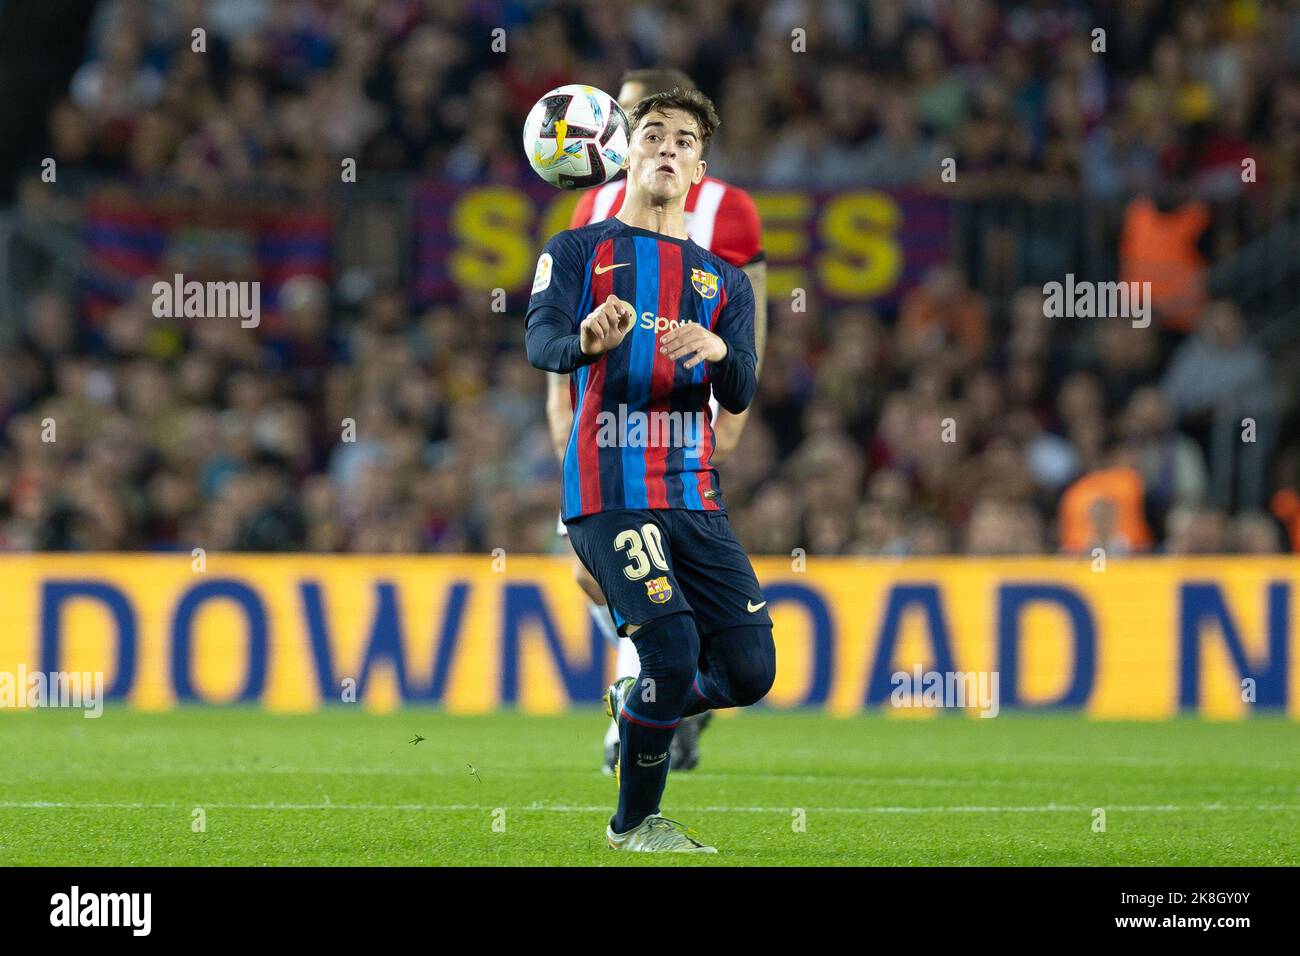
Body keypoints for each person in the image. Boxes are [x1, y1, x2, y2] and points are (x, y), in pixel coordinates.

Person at [525, 87, 775, 853]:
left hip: (695, 495)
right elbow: (542, 342)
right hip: (609, 489)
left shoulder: (723, 284)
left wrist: (722, 351)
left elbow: (742, 387)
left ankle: (642, 706)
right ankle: (634, 823)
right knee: (666, 644)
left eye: (685, 140)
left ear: (699, 169)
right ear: (624, 153)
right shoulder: (577, 252)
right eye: (654, 134)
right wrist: (588, 343)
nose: (668, 147)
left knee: (748, 671)